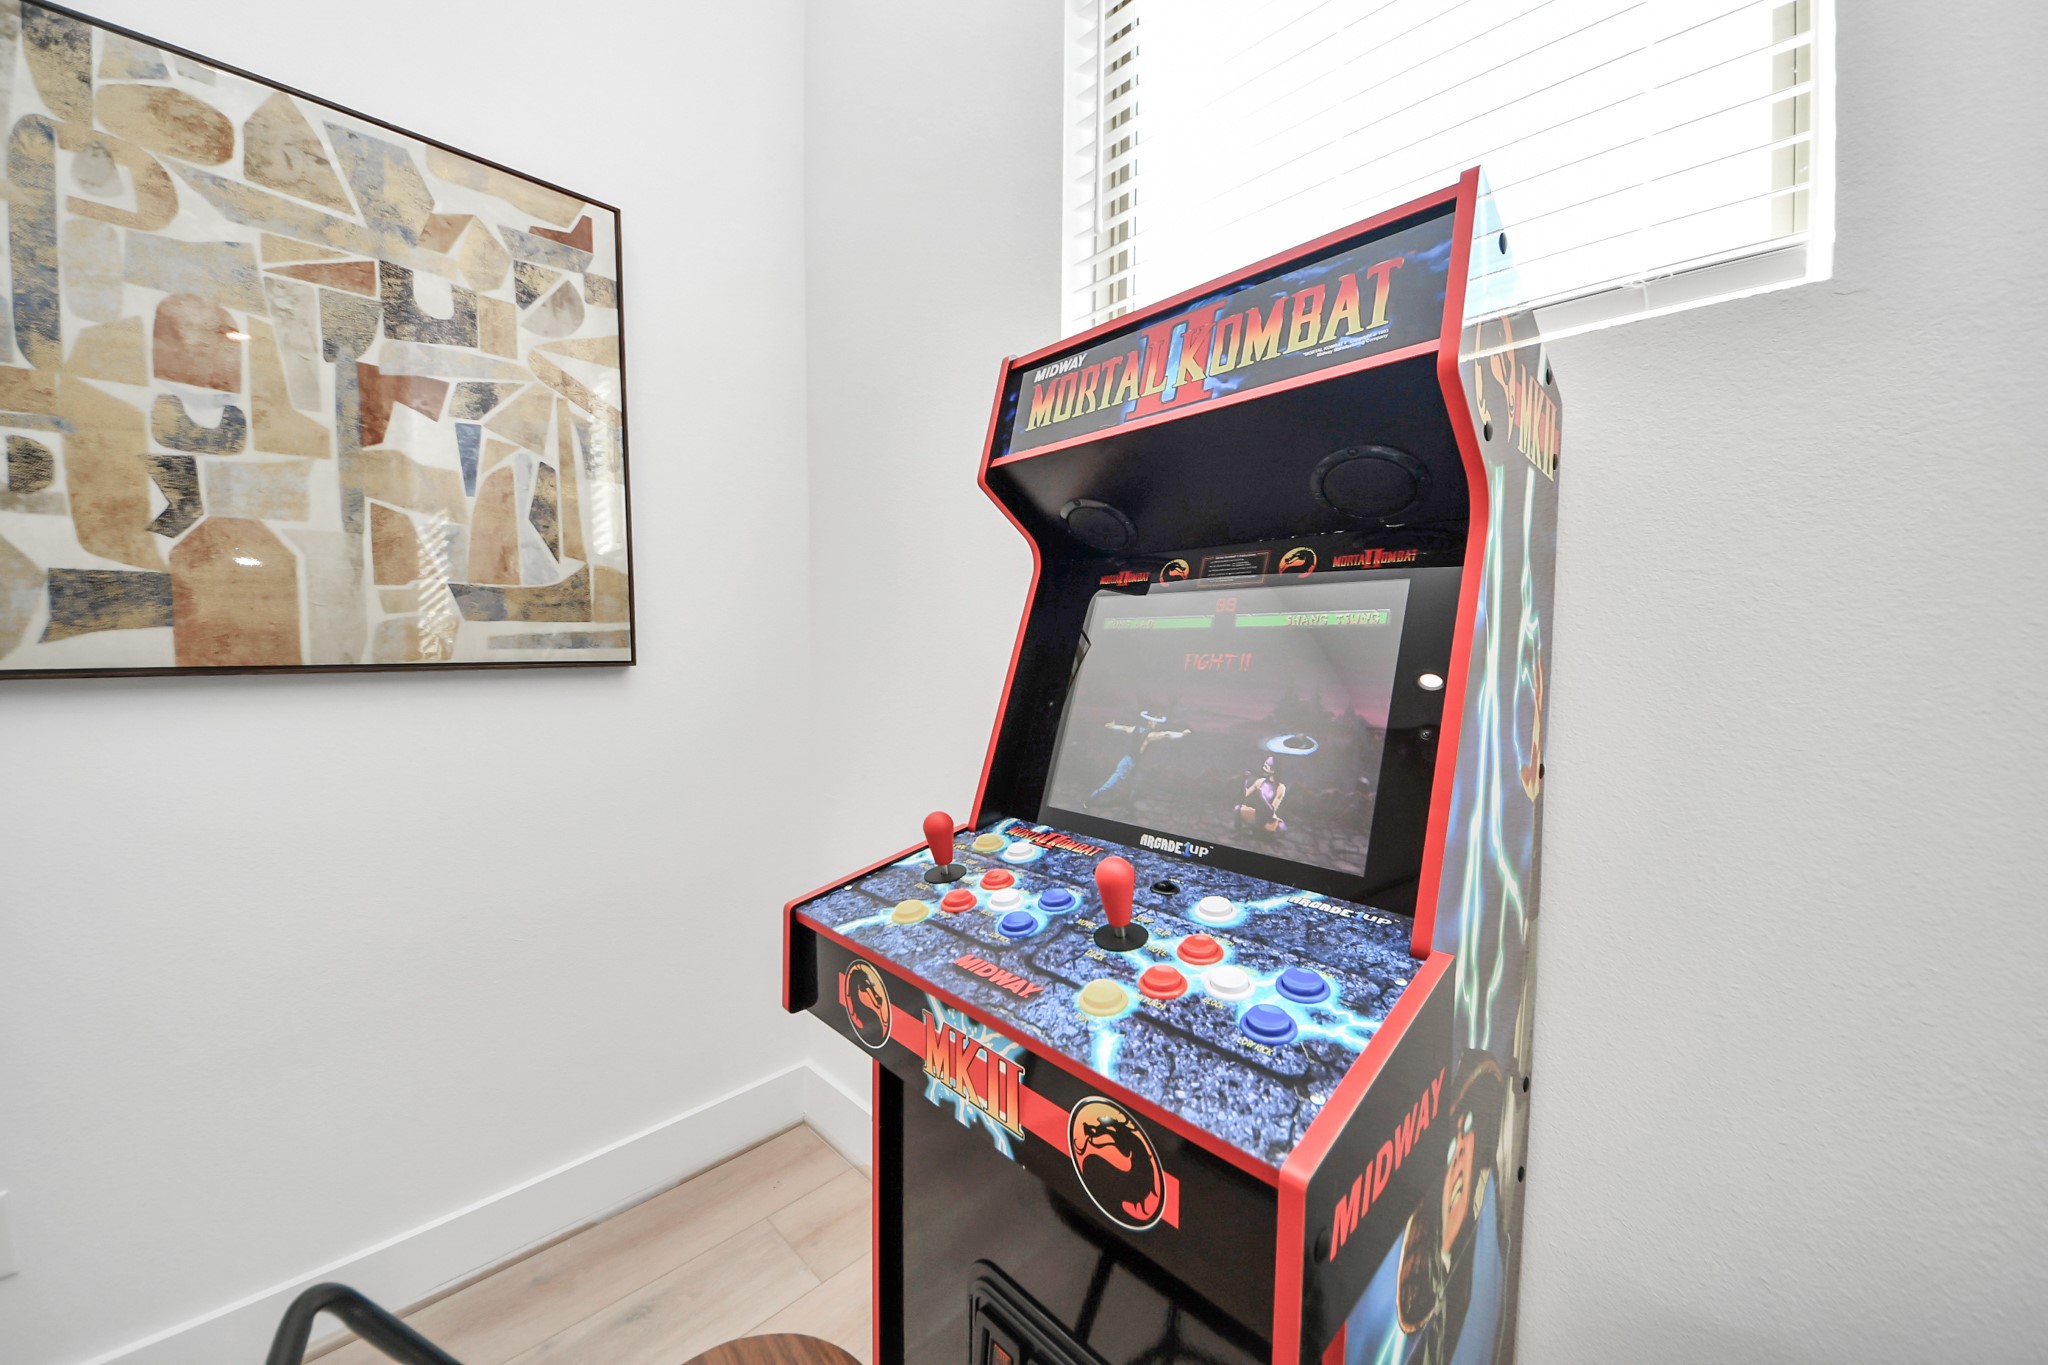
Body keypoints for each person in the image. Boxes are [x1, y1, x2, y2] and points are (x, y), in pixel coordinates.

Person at [1084, 711, 1190, 813]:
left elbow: (1125, 728)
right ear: (1150, 721)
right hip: (1127, 764)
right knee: (1108, 786)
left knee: (1135, 785)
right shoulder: (1149, 735)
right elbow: (1166, 734)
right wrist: (1181, 734)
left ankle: (1128, 806)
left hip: (1132, 763)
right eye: (1156, 721)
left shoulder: (1137, 729)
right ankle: (1088, 802)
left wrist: (1112, 726)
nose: (1157, 724)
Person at [1234, 754, 1288, 835]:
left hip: (1268, 819)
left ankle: (1261, 832)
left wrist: (1261, 796)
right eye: (1264, 766)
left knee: (1282, 827)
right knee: (1237, 808)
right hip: (1256, 814)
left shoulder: (1280, 787)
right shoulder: (1260, 781)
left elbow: (1271, 811)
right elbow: (1245, 795)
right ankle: (1238, 832)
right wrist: (1245, 781)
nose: (1263, 768)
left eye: (1266, 767)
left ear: (1273, 771)